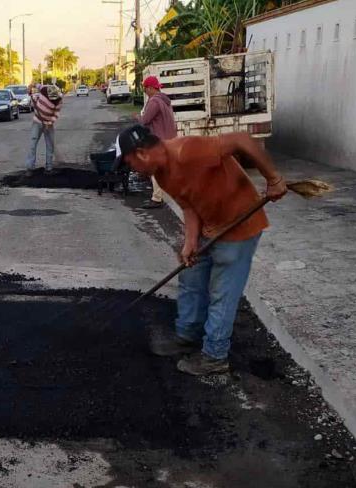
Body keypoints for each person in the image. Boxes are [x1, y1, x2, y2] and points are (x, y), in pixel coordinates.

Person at [114, 125, 287, 376]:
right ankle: (187, 335)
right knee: (191, 277)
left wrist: (273, 178)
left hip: (238, 225)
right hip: (209, 227)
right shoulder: (162, 174)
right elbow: (189, 205)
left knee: (221, 292)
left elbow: (241, 140)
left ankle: (214, 357)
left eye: (130, 163)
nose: (132, 171)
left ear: (141, 153)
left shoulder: (188, 151)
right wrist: (190, 242)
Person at [136, 75, 177, 209]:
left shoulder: (154, 101)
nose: (145, 92)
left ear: (150, 88)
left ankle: (157, 199)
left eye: (145, 89)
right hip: (169, 138)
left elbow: (145, 120)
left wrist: (138, 117)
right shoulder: (165, 100)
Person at [26, 84, 62, 175]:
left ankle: (49, 168)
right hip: (37, 121)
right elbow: (36, 85)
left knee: (50, 145)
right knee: (32, 144)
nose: (53, 100)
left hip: (49, 124)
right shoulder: (44, 89)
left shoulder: (59, 100)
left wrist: (49, 123)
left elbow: (56, 114)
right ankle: (30, 168)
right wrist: (31, 86)